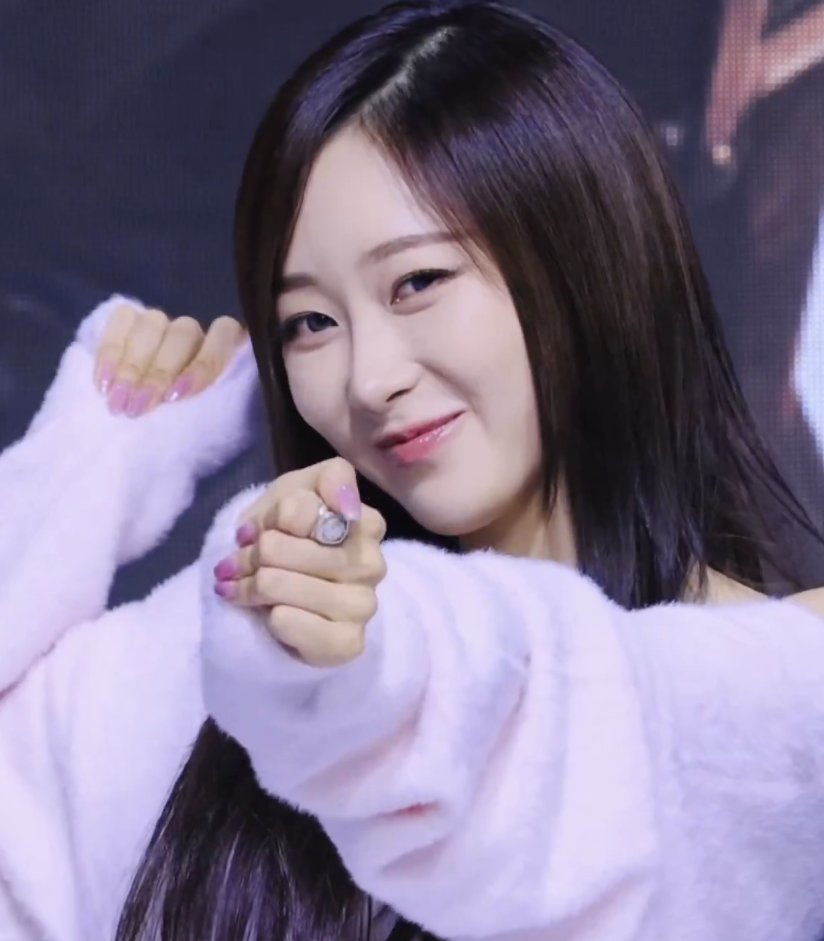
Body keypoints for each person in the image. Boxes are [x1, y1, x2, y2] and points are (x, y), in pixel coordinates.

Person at [3, 2, 824, 940]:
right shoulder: (219, 656)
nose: (368, 379)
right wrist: (84, 475)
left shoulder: (783, 682)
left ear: (584, 252)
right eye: (310, 322)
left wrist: (376, 662)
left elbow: (582, 733)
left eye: (418, 283)